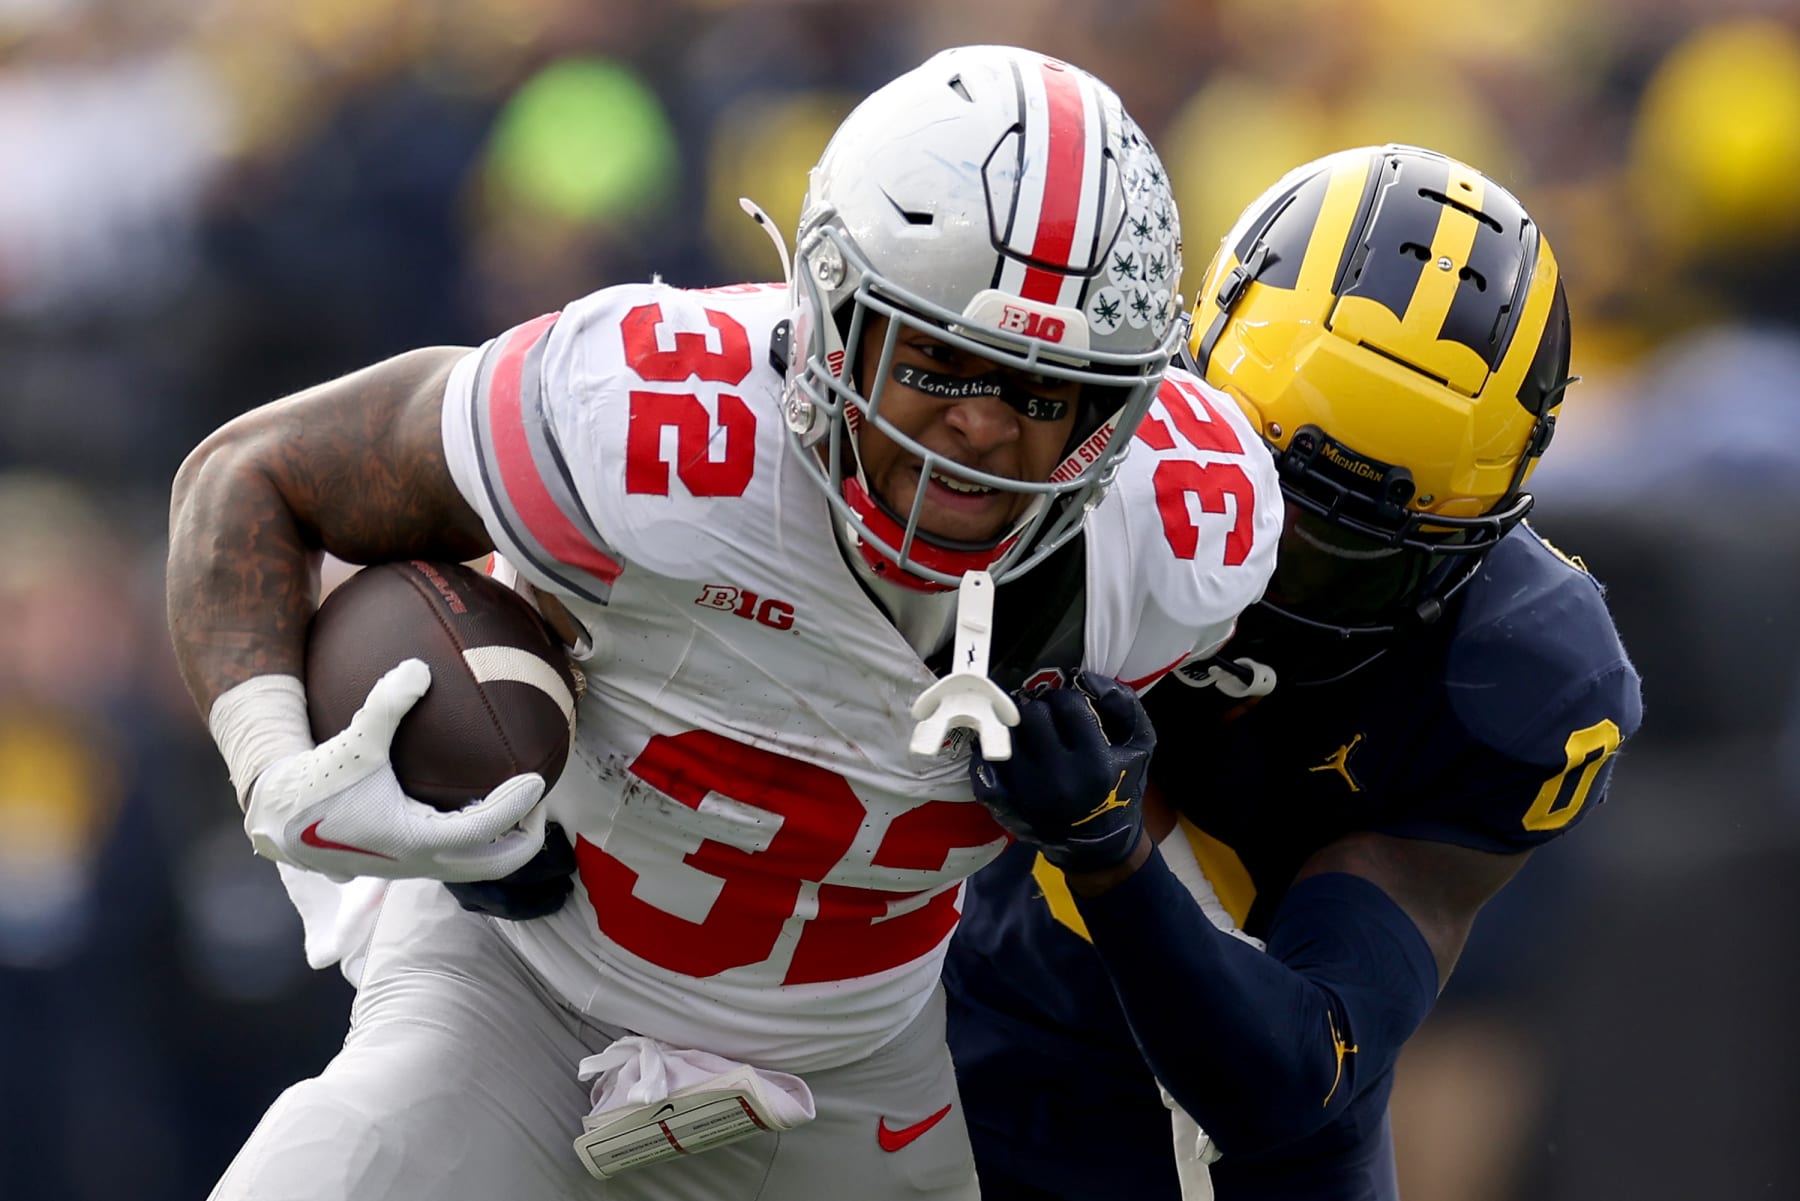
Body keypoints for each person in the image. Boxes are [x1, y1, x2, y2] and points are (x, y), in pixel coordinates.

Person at [164, 45, 1282, 1201]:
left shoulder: (1179, 534)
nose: (985, 426)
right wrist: (272, 759)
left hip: (858, 1075)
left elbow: (1235, 800)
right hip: (522, 995)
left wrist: (1185, 938)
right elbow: (254, 473)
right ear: (835, 313)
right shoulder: (647, 422)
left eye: (1044, 387)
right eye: (942, 361)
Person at [944, 144, 1645, 1201]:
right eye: (1253, 494)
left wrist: (1111, 856)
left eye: (1347, 552)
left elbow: (1299, 1075)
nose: (1267, 571)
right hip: (955, 1014)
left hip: (1231, 1141)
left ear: (1476, 537)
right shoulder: (1059, 446)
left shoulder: (1515, 677)